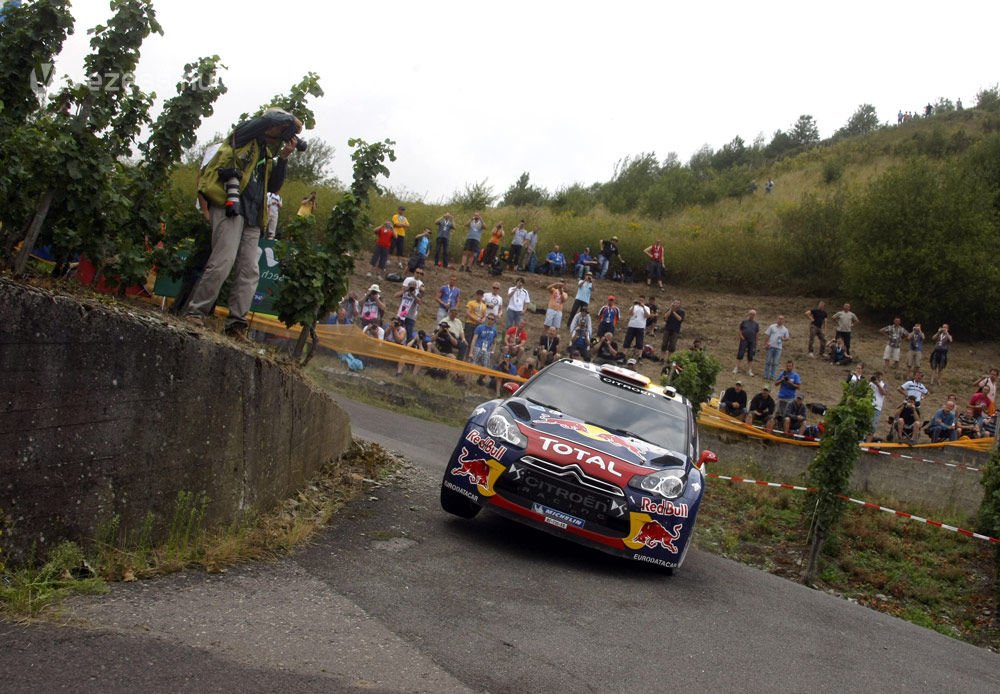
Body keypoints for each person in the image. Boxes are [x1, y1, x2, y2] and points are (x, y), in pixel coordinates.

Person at [185, 108, 303, 339]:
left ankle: (236, 323)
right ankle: (196, 313)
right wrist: (291, 120)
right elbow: (268, 119)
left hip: (253, 214)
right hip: (231, 206)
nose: (282, 131)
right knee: (222, 261)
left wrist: (284, 158)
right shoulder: (244, 135)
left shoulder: (265, 152)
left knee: (250, 270)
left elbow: (273, 187)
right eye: (280, 127)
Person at [762, 315, 789, 381]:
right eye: (779, 319)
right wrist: (765, 344)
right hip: (770, 346)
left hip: (778, 348)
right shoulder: (772, 326)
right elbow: (767, 335)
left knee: (775, 362)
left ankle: (772, 376)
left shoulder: (785, 329)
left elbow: (787, 338)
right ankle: (766, 375)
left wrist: (784, 339)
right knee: (768, 361)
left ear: (783, 321)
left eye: (781, 319)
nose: (780, 320)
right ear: (777, 319)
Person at [733, 308, 759, 376]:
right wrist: (741, 336)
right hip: (744, 340)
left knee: (750, 356)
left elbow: (756, 333)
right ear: (749, 314)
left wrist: (756, 342)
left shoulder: (756, 324)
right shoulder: (744, 322)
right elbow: (740, 329)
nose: (752, 315)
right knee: (740, 353)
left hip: (752, 341)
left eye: (753, 314)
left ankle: (749, 370)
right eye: (751, 314)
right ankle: (736, 368)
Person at [463, 289, 488, 358]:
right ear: (476, 295)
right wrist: (475, 319)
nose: (479, 297)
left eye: (481, 295)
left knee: (475, 341)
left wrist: (483, 320)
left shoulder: (484, 306)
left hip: (479, 325)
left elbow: (485, 315)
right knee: (468, 339)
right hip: (470, 323)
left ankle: (470, 355)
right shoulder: (471, 303)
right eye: (478, 295)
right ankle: (464, 355)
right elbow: (468, 313)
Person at [868, 372, 887, 441]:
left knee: (872, 427)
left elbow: (884, 393)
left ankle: (866, 445)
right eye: (876, 377)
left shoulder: (884, 384)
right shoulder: (870, 383)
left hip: (877, 408)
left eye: (879, 377)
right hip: (868, 405)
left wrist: (878, 384)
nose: (877, 378)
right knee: (865, 424)